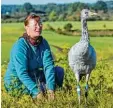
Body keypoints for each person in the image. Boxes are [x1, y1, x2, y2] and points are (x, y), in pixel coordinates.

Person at [4, 13, 64, 100]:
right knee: (40, 92)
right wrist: (37, 92)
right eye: (35, 25)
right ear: (27, 27)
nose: (39, 27)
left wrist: (50, 89)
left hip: (34, 75)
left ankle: (51, 93)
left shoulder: (43, 43)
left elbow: (48, 66)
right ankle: (39, 93)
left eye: (40, 24)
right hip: (17, 81)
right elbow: (22, 73)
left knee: (59, 71)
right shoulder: (20, 46)